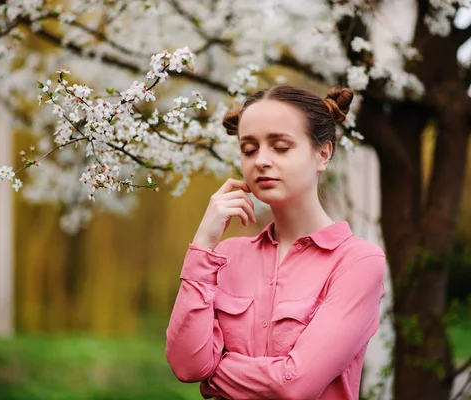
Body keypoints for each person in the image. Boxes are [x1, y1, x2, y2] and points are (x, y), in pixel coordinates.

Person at [165, 85, 386, 400]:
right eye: (249, 149)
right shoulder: (226, 256)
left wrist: (213, 375)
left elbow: (294, 386)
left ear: (323, 154)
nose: (261, 161)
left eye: (281, 147)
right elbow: (186, 366)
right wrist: (203, 244)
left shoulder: (357, 262)